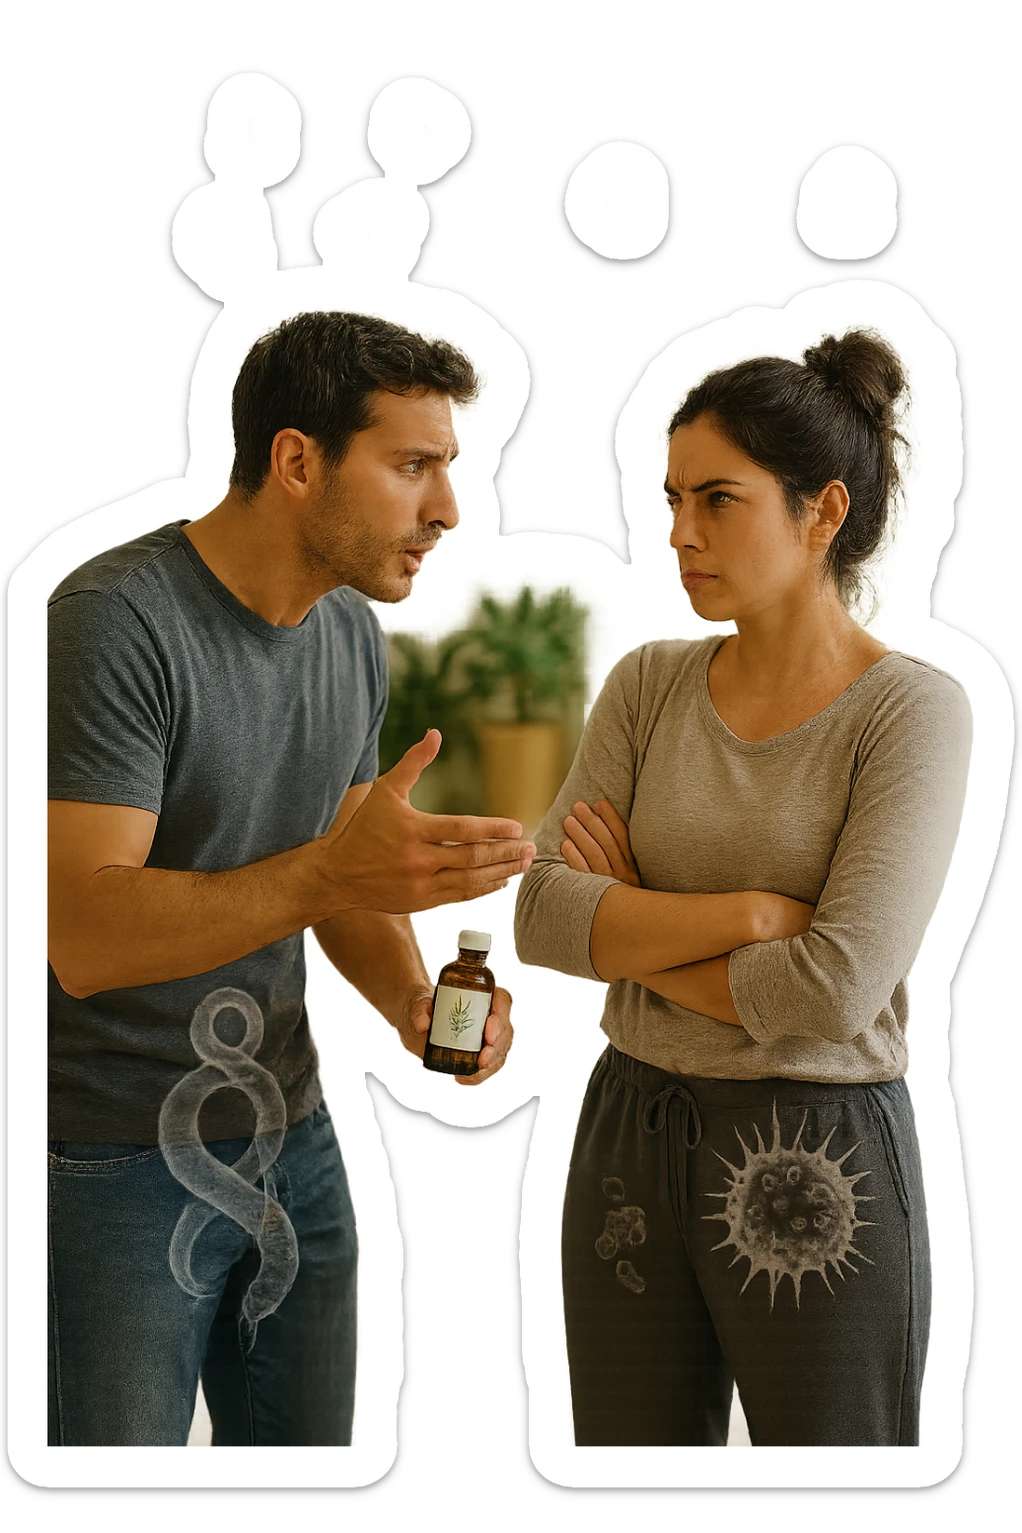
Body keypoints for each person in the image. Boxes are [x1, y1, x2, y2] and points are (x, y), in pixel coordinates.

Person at [47, 310, 537, 1448]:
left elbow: (342, 877)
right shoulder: (115, 622)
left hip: (291, 1135)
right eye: (413, 466)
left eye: (447, 469)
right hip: (111, 1158)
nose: (446, 510)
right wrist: (331, 871)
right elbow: (85, 934)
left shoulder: (346, 630)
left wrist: (413, 1004)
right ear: (297, 460)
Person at [514, 330, 972, 1447]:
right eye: (670, 497)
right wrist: (754, 920)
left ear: (822, 512)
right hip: (628, 1128)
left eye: (716, 499)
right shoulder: (646, 684)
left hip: (815, 1149)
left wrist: (626, 928)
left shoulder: (908, 714)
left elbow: (832, 993)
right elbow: (536, 914)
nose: (677, 532)